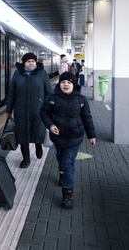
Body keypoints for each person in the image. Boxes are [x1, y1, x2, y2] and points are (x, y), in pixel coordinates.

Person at [40, 72, 96, 209]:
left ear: (73, 84)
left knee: (67, 163)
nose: (66, 84)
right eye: (63, 82)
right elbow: (43, 113)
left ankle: (67, 196)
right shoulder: (51, 98)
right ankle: (62, 175)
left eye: (69, 82)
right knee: (60, 158)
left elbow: (87, 118)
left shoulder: (81, 100)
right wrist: (50, 125)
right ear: (59, 84)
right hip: (58, 138)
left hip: (74, 138)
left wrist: (91, 135)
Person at [6, 53, 53, 168]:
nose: (31, 63)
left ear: (36, 62)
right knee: (22, 135)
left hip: (38, 110)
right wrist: (9, 110)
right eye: (28, 61)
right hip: (20, 110)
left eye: (33, 61)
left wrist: (50, 108)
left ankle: (38, 145)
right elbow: (12, 93)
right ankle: (26, 158)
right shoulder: (17, 73)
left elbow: (49, 92)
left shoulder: (42, 73)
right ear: (24, 63)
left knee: (37, 131)